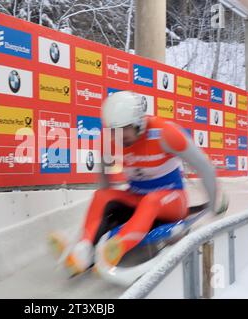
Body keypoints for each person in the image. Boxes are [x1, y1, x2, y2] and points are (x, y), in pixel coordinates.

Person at [49, 91, 227, 276]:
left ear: (139, 122)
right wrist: (106, 215)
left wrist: (213, 206)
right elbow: (104, 181)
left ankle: (116, 247)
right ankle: (84, 248)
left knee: (151, 201)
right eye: (115, 130)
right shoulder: (110, 138)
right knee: (101, 195)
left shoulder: (165, 132)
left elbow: (204, 167)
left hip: (172, 201)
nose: (120, 135)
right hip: (137, 198)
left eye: (125, 128)